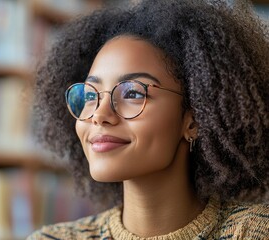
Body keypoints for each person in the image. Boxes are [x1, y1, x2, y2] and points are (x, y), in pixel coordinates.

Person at [28, 0, 269, 239]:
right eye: (91, 95)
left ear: (194, 119)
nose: (100, 115)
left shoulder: (254, 232)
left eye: (132, 93)